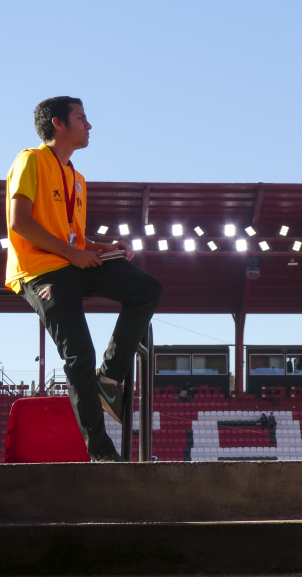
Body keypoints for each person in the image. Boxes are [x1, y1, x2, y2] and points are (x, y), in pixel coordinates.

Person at [5, 96, 163, 463]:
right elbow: (20, 223)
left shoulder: (78, 178)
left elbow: (75, 238)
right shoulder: (30, 159)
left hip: (71, 262)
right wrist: (73, 253)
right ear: (58, 124)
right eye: (81, 118)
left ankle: (108, 378)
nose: (89, 125)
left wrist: (104, 246)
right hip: (39, 271)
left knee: (146, 287)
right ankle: (102, 456)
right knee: (79, 355)